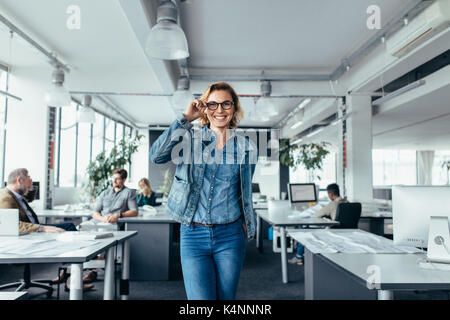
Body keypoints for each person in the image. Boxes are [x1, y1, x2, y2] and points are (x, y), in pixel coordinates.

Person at [149, 82, 257, 300]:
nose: (220, 110)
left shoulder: (247, 147)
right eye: (213, 104)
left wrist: (246, 222)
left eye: (226, 104)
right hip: (193, 233)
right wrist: (186, 119)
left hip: (230, 234)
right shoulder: (189, 138)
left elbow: (242, 191)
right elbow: (156, 156)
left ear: (234, 108)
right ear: (205, 108)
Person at [86, 168, 138, 283]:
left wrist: (118, 215)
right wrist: (102, 219)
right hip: (99, 220)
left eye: (117, 179)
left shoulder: (129, 193)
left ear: (124, 180)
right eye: (113, 178)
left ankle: (93, 271)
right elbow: (95, 212)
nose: (114, 181)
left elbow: (134, 211)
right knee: (79, 229)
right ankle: (68, 271)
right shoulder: (105, 192)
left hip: (113, 223)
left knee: (102, 233)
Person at [0, 168, 76, 233]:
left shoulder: (18, 196)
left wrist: (29, 187)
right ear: (19, 180)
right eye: (28, 181)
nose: (30, 184)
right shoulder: (6, 198)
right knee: (69, 227)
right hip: (32, 230)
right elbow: (11, 225)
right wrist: (42, 228)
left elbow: (30, 198)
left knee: (69, 226)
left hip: (35, 227)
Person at [288, 183, 347, 265]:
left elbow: (316, 215)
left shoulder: (333, 204)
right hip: (346, 231)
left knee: (304, 230)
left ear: (330, 194)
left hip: (333, 231)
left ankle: (299, 257)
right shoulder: (347, 202)